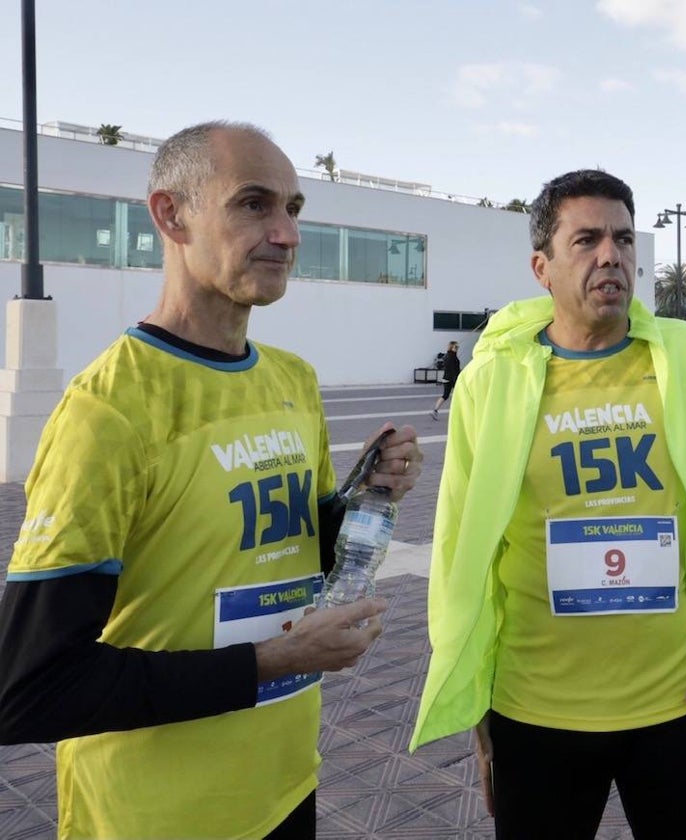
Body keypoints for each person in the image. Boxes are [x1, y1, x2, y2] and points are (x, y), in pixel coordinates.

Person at [0, 121, 423, 840]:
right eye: (254, 204)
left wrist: (369, 496)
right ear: (172, 216)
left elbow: (297, 557)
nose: (286, 234)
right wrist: (270, 663)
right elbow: (31, 688)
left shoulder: (293, 379)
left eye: (294, 209)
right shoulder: (108, 410)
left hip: (287, 784)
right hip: (154, 816)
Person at [409, 169, 686, 838]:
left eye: (623, 239)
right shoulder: (492, 381)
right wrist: (478, 706)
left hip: (679, 708)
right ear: (541, 266)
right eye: (585, 240)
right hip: (534, 711)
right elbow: (460, 543)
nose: (610, 255)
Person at [430, 340, 461, 419]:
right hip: (452, 378)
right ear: (451, 347)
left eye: (458, 347)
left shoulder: (448, 355)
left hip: (446, 378)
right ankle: (457, 412)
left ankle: (435, 410)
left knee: (445, 395)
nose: (457, 348)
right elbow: (453, 370)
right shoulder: (452, 357)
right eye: (456, 347)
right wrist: (456, 380)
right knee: (458, 395)